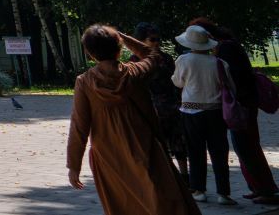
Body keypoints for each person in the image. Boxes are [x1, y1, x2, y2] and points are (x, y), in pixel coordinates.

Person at [68, 23, 202, 214]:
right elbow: (152, 55)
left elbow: (79, 126)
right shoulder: (136, 72)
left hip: (108, 154)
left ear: (90, 54)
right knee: (160, 196)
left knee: (121, 203)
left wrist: (74, 166)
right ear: (119, 48)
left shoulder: (84, 82)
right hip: (143, 145)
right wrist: (121, 36)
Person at [190, 17, 279, 206]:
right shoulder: (228, 45)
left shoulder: (226, 48)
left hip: (241, 104)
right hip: (245, 102)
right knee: (244, 147)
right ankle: (258, 188)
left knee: (247, 147)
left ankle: (266, 190)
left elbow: (232, 77)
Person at [175, 23, 238, 205]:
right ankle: (223, 193)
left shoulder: (183, 60)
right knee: (219, 152)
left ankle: (199, 189)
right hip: (216, 113)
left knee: (195, 151)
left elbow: (178, 83)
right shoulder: (219, 63)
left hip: (191, 112)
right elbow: (230, 87)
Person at [137, 21, 189, 180]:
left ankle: (184, 176)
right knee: (156, 146)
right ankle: (163, 177)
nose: (157, 42)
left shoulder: (166, 58)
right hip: (149, 110)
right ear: (141, 40)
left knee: (178, 143)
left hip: (171, 108)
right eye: (152, 39)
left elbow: (177, 82)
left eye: (158, 38)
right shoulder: (136, 61)